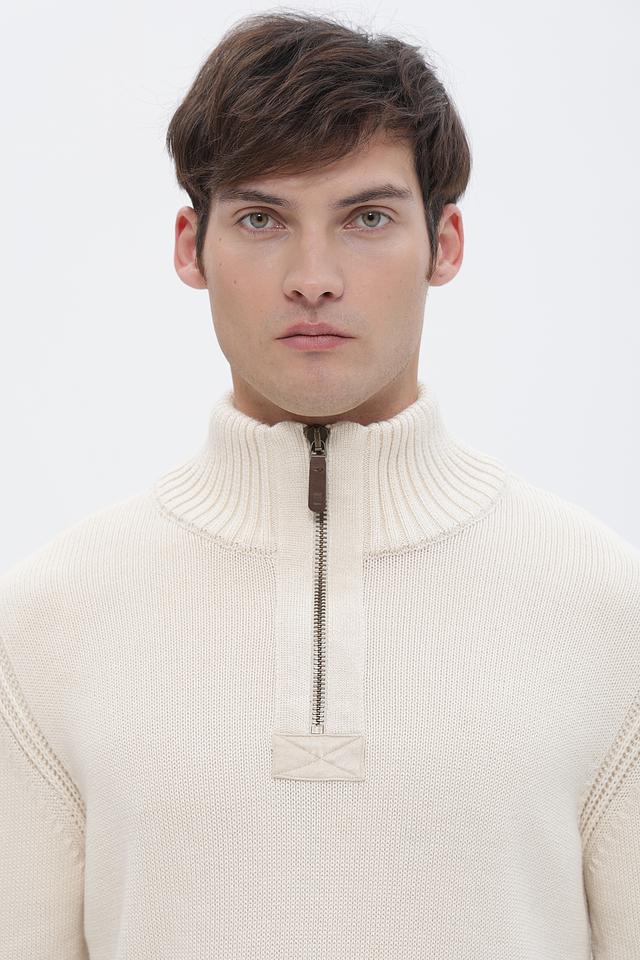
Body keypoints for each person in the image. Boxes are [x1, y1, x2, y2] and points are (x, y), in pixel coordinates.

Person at [1, 10, 638, 958]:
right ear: (189, 246)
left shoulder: (606, 608)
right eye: (261, 219)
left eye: (367, 218)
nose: (313, 278)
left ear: (446, 243)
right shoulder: (49, 620)